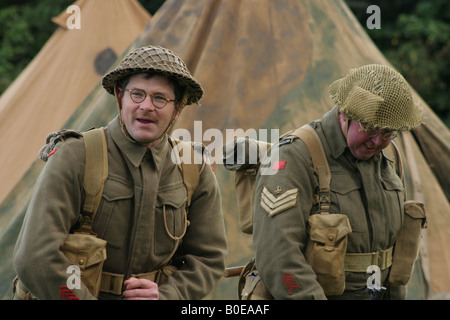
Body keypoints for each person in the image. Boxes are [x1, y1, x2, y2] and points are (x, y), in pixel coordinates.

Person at [13, 45, 227, 300]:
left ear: (177, 109)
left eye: (160, 98)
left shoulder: (194, 168)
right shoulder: (75, 155)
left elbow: (208, 258)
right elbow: (35, 256)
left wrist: (171, 295)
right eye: (137, 94)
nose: (147, 106)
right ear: (120, 97)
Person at [252, 64, 423, 300]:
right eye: (370, 128)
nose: (377, 141)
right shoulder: (295, 157)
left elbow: (390, 255)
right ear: (343, 114)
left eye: (388, 133)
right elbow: (278, 257)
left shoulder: (389, 157)